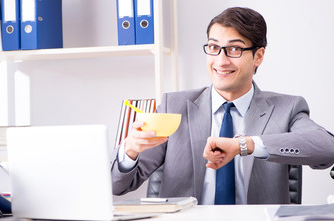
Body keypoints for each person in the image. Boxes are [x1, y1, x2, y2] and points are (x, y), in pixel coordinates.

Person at [110, 7, 334, 205]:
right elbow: (116, 186)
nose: (221, 60)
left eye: (234, 49)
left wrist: (244, 145)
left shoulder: (287, 108)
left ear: (259, 56)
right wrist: (130, 150)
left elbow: (327, 147)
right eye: (214, 47)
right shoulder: (173, 106)